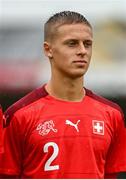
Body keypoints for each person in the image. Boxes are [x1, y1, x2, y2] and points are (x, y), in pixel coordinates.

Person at [0, 11, 126, 179]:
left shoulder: (112, 114)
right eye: (72, 44)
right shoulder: (19, 115)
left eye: (87, 44)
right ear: (48, 49)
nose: (82, 51)